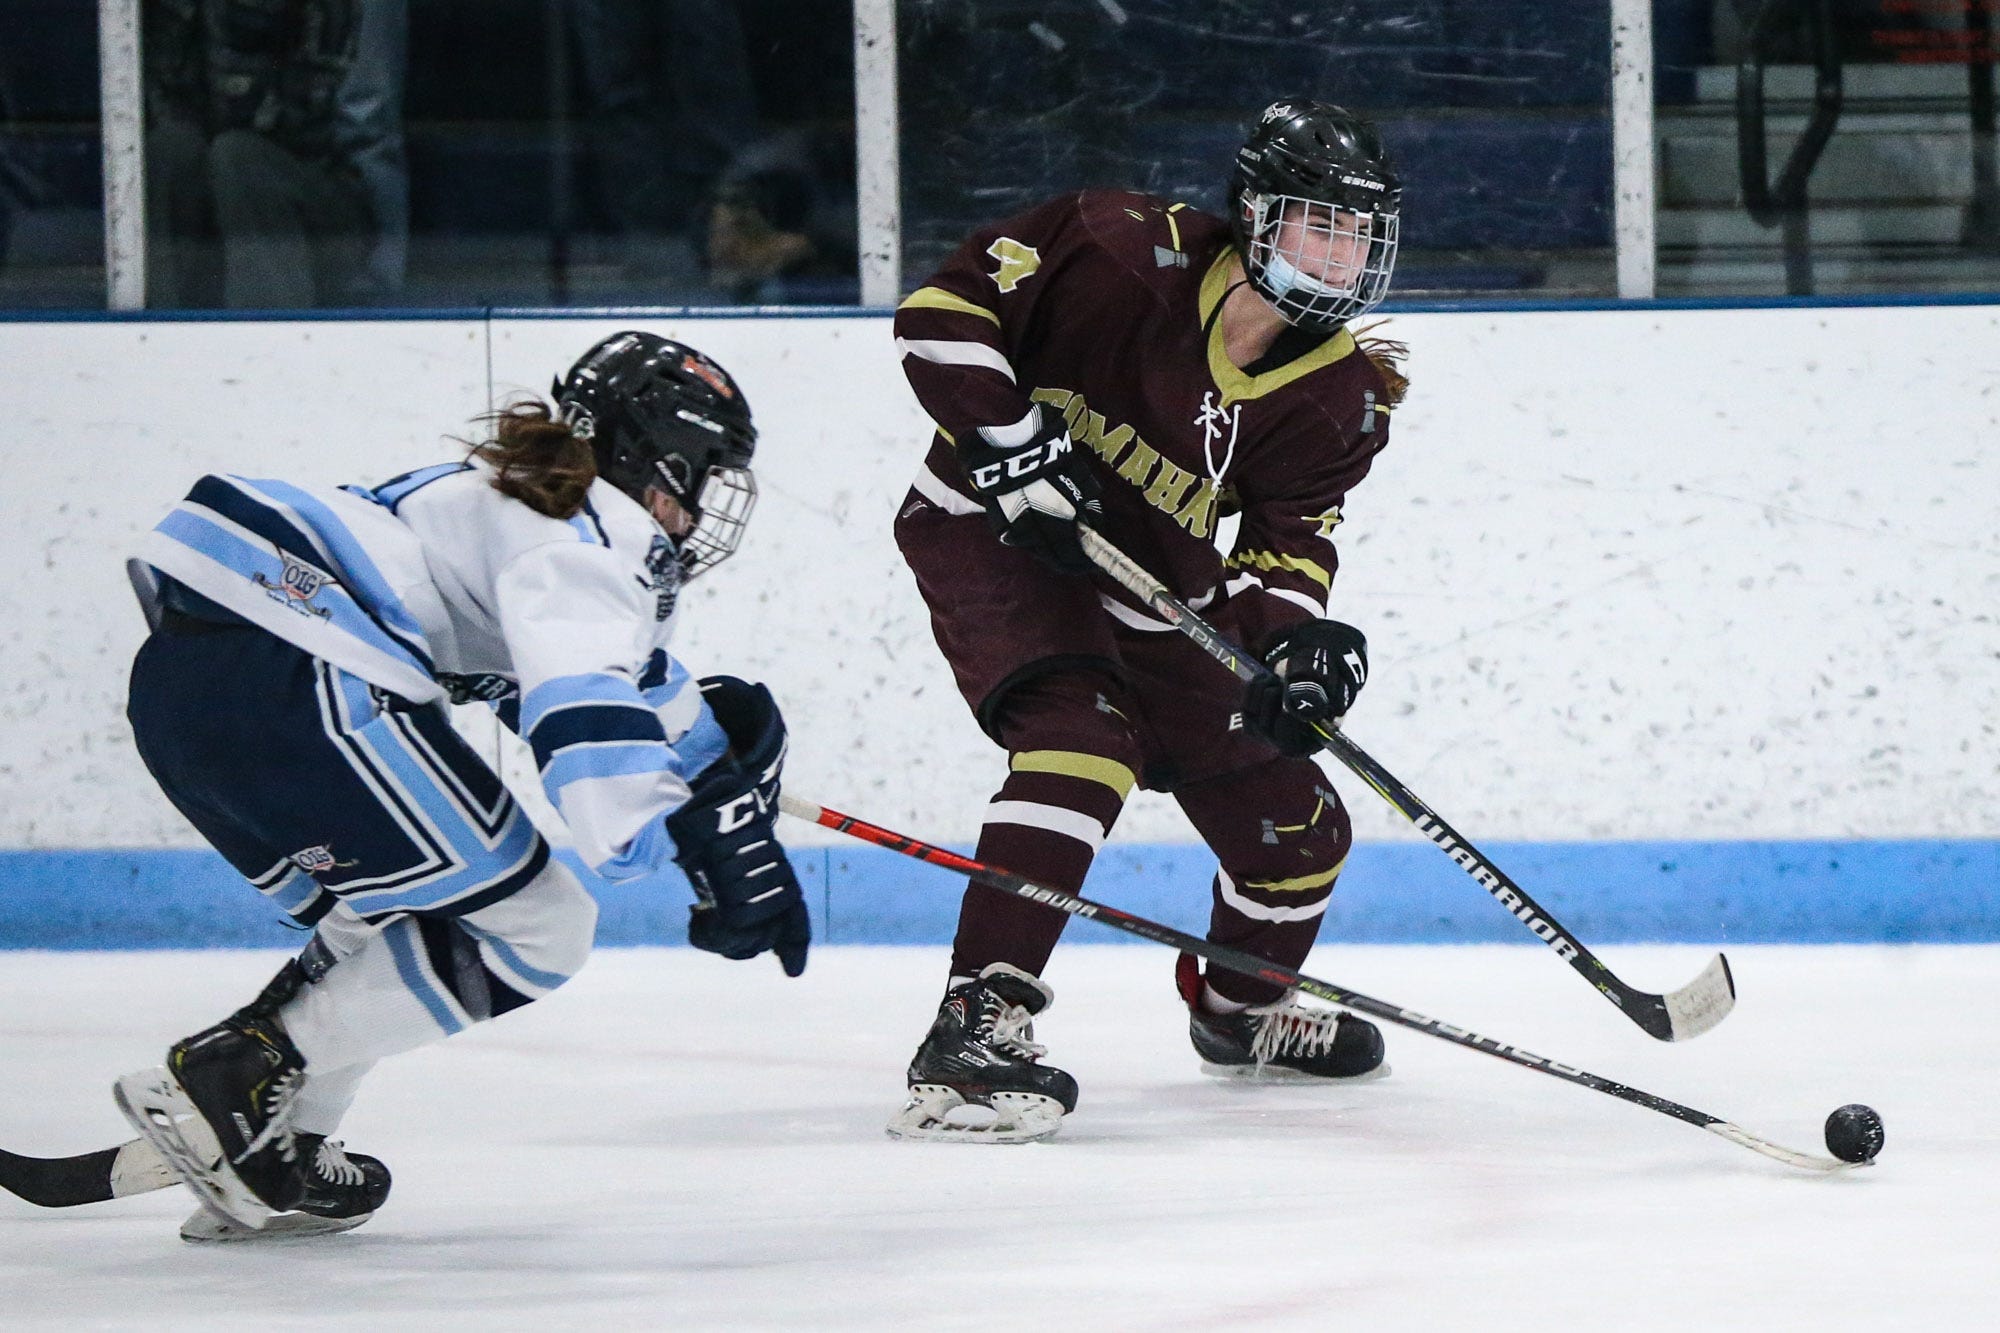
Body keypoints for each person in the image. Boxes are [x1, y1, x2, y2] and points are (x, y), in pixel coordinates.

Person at [112, 331, 811, 1239]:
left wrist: (710, 754)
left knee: (390, 922)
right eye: (704, 477)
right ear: (662, 457)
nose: (696, 512)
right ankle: (234, 1075)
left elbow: (606, 672)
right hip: (303, 673)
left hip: (194, 685)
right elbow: (579, 699)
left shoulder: (509, 496)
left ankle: (275, 1136)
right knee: (545, 927)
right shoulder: (606, 531)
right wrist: (674, 829)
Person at [886, 99, 1410, 1142]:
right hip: (992, 535)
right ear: (1255, 215)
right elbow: (938, 315)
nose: (1340, 252)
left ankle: (1241, 1016)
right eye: (1319, 223)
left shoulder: (1338, 395)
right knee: (1083, 742)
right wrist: (1004, 442)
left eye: (1357, 231)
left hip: (1153, 586)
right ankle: (974, 1022)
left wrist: (1295, 642)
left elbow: (1286, 543)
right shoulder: (1116, 247)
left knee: (1299, 832)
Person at [143, 0, 375, 308]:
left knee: (238, 157)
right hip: (214, 201)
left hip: (319, 209)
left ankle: (271, 342)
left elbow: (313, 129)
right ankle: (157, 336)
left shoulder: (326, 11)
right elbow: (164, 104)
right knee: (171, 149)